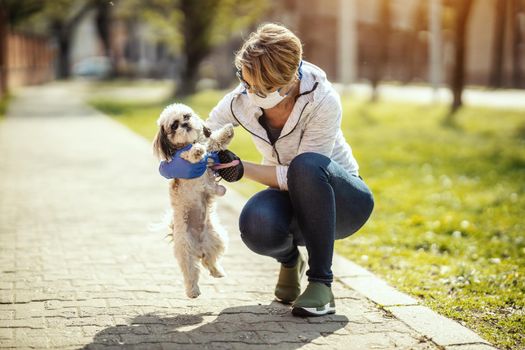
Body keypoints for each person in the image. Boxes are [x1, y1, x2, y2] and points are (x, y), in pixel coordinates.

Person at [159, 23, 374, 317]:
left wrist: (242, 168)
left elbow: (303, 174)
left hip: (342, 201)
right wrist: (176, 161)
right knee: (255, 222)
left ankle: (321, 284)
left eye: (256, 87)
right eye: (243, 80)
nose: (247, 91)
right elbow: (204, 135)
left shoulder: (322, 100)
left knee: (306, 165)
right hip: (292, 197)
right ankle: (289, 261)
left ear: (284, 83)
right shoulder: (240, 99)